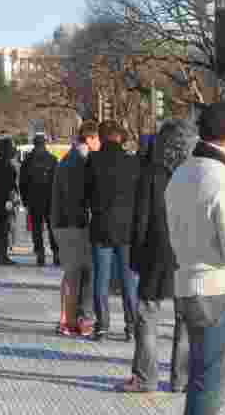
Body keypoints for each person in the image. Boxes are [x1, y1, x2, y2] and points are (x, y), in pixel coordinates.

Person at [166, 102, 225, 415]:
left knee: (200, 376)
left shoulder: (180, 173)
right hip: (220, 289)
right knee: (215, 383)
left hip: (187, 283)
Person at [119, 119, 197, 393]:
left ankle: (145, 376)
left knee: (147, 313)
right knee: (185, 317)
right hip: (189, 253)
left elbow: (140, 219)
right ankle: (182, 378)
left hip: (157, 250)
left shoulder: (152, 174)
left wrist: (136, 256)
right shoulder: (196, 173)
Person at [86, 120, 141, 342]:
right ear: (120, 137)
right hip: (127, 228)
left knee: (101, 277)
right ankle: (131, 325)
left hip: (100, 225)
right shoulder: (132, 162)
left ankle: (102, 325)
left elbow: (86, 192)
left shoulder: (94, 160)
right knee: (129, 279)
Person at [51, 122, 98, 337]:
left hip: (64, 223)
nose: (99, 144)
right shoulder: (80, 161)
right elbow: (77, 197)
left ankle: (69, 319)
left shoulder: (68, 159)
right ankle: (69, 321)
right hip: (74, 224)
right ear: (89, 139)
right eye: (97, 139)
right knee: (75, 271)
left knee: (73, 271)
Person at [19, 134, 59, 267]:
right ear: (45, 144)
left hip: (34, 199)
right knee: (52, 227)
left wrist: (25, 200)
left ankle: (40, 253)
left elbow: (22, 182)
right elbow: (58, 182)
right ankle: (56, 253)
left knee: (37, 228)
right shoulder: (53, 159)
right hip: (50, 199)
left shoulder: (28, 160)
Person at [0, 138, 19, 266]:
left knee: (2, 228)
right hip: (3, 200)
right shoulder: (3, 164)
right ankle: (1, 256)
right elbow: (6, 184)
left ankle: (2, 255)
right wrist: (9, 199)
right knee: (2, 228)